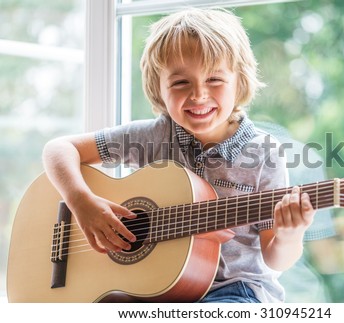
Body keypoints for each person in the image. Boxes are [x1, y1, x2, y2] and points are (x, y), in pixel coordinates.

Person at [42, 8, 316, 303]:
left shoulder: (264, 153)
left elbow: (276, 259)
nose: (198, 94)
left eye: (214, 79)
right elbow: (59, 149)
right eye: (180, 83)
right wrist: (82, 203)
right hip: (151, 289)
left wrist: (290, 235)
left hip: (236, 290)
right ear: (158, 90)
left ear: (240, 82)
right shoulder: (153, 137)